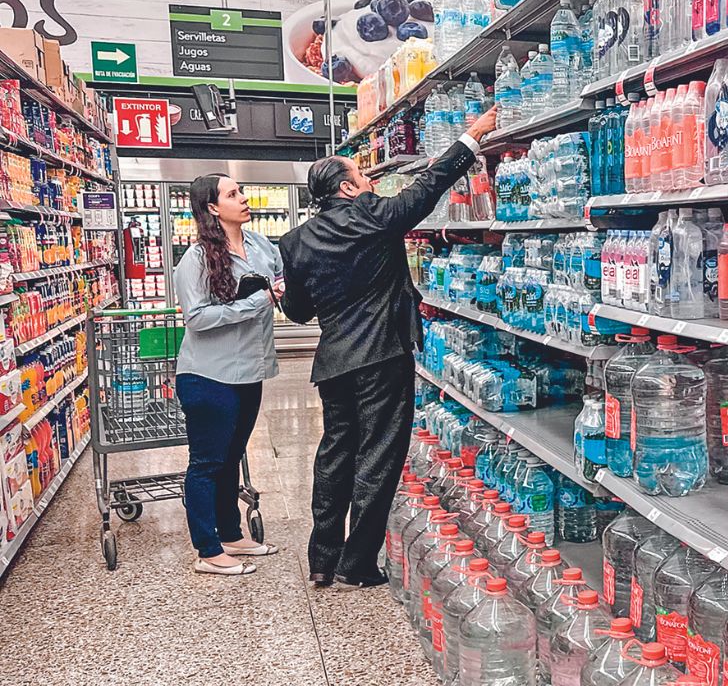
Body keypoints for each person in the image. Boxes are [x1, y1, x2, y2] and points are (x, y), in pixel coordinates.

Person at [280, 107, 498, 588]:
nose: (368, 182)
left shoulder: (294, 241)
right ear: (346, 188)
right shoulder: (372, 214)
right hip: (381, 357)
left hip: (333, 362)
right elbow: (425, 189)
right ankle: (357, 563)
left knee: (335, 455)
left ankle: (322, 559)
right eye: (361, 176)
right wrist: (471, 137)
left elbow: (297, 312)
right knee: (378, 454)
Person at [173, 173, 284, 576]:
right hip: (207, 375)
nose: (243, 198)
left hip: (248, 372)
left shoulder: (259, 245)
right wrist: (257, 303)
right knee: (206, 462)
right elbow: (197, 318)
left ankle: (231, 534)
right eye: (233, 194)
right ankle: (207, 549)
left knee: (231, 457)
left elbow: (281, 278)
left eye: (241, 191)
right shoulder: (197, 258)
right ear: (213, 208)